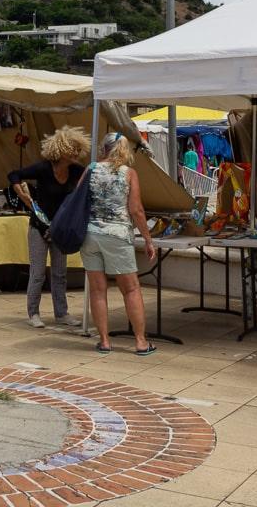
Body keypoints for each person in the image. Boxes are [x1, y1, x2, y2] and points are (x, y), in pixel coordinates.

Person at [8, 125, 90, 329]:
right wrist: (22, 194)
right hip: (39, 225)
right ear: (61, 149)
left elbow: (90, 183)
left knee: (60, 272)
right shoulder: (44, 168)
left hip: (60, 229)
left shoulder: (77, 171)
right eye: (72, 148)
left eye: (78, 149)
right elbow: (14, 175)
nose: (76, 153)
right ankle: (33, 313)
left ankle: (61, 313)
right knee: (37, 272)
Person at [83, 132, 157, 356]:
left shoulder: (91, 169)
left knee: (97, 289)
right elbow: (136, 210)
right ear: (123, 150)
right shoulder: (129, 174)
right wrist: (147, 238)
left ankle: (104, 341)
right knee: (131, 288)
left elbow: (78, 198)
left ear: (103, 148)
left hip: (90, 234)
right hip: (117, 235)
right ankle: (141, 341)